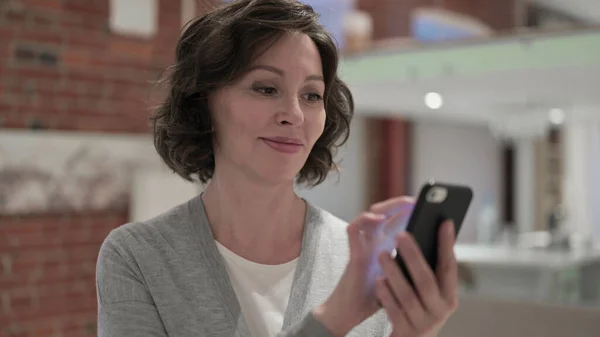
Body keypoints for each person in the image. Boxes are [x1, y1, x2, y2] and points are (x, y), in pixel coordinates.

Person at [95, 0, 459, 336]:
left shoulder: (359, 262)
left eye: (312, 95)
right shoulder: (138, 258)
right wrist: (336, 318)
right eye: (266, 88)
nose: (295, 115)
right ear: (203, 103)